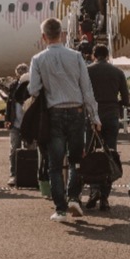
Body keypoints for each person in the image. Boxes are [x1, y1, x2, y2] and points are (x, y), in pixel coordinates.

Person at [27, 17, 101, 221]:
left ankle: (60, 209)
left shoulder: (38, 59)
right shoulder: (76, 56)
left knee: (55, 164)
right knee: (77, 159)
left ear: (44, 37)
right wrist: (95, 116)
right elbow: (87, 89)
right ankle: (74, 197)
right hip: (77, 111)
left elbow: (33, 89)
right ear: (62, 34)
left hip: (54, 114)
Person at [85, 44, 129, 210]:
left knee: (91, 155)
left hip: (92, 117)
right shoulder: (118, 72)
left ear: (93, 55)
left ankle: (93, 190)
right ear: (108, 55)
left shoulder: (87, 71)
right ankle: (105, 198)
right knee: (109, 155)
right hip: (111, 117)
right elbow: (125, 100)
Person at [4, 63, 31, 186]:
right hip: (16, 122)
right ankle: (14, 174)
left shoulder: (32, 85)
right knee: (15, 149)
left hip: (26, 122)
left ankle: (25, 174)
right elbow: (9, 103)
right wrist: (8, 118)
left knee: (27, 149)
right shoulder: (14, 86)